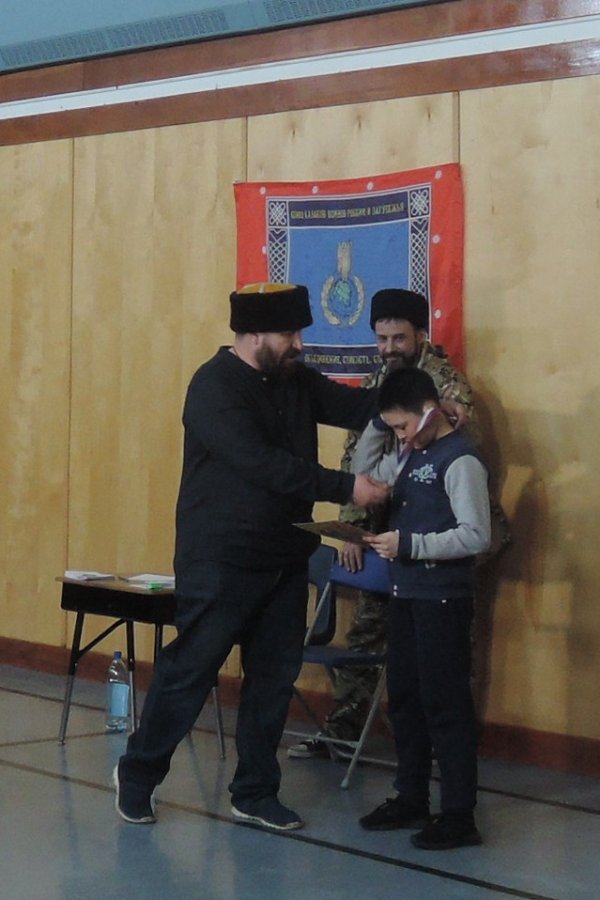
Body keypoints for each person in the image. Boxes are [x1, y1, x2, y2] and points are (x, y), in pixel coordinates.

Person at [113, 282, 389, 832]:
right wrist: (347, 487)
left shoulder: (295, 379)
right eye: (289, 333)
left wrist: (422, 402)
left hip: (284, 556)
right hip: (221, 559)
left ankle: (256, 792)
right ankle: (138, 774)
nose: (299, 344)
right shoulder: (213, 387)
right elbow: (263, 464)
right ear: (253, 335)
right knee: (190, 672)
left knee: (273, 680)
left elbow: (359, 406)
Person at [288, 288, 480, 757]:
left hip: (435, 541)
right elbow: (358, 456)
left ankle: (442, 748)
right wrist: (353, 528)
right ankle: (345, 733)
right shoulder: (378, 381)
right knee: (367, 635)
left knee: (438, 662)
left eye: (399, 338)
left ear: (421, 335)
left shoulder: (444, 384)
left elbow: (447, 444)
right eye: (381, 339)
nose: (389, 348)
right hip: (387, 532)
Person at [358, 367, 491, 849]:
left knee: (445, 705)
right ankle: (411, 795)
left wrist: (411, 545)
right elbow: (365, 472)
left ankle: (458, 813)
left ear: (431, 411)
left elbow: (476, 535)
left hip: (442, 600)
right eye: (393, 428)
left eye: (402, 426)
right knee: (406, 701)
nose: (400, 436)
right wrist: (381, 424)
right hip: (407, 596)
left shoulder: (461, 460)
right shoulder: (410, 452)